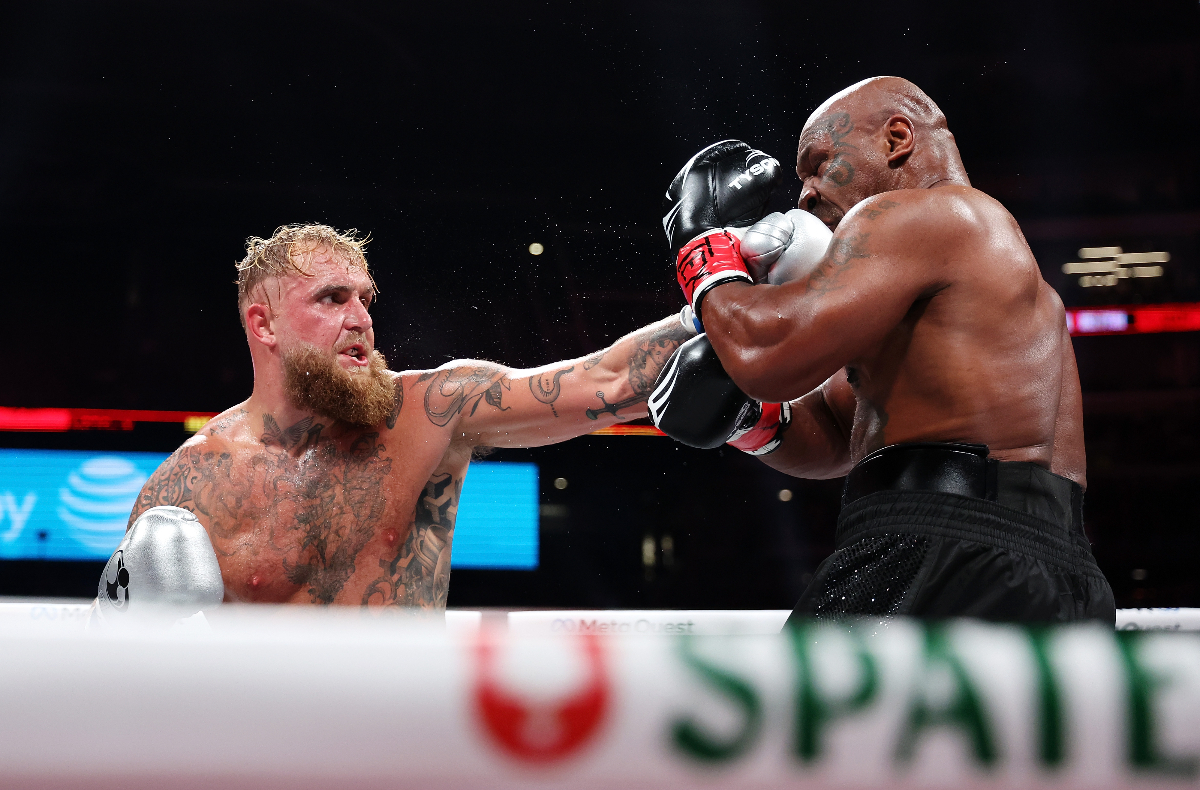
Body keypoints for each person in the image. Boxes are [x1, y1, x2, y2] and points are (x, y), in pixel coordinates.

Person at [652, 77, 1115, 622]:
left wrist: (701, 241)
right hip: (1055, 572)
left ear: (897, 138)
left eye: (820, 164)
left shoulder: (917, 213)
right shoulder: (988, 271)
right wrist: (750, 421)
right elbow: (838, 434)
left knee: (799, 682)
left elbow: (766, 356)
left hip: (943, 548)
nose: (804, 195)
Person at [108, 224, 694, 609]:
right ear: (264, 326)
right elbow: (127, 664)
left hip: (404, 745)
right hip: (266, 752)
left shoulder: (430, 410)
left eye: (365, 299)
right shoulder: (188, 484)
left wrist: (719, 290)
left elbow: (607, 379)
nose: (361, 319)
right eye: (332, 298)